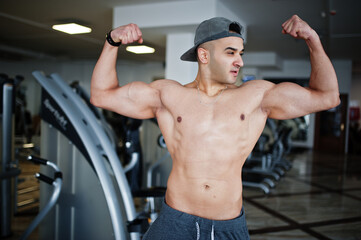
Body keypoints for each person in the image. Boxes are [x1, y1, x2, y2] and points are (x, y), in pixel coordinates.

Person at [91, 15, 339, 240]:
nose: (240, 61)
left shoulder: (256, 96)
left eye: (241, 53)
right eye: (231, 52)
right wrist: (112, 41)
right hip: (174, 222)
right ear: (204, 55)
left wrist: (313, 39)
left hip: (227, 226)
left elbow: (328, 97)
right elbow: (102, 95)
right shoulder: (169, 94)